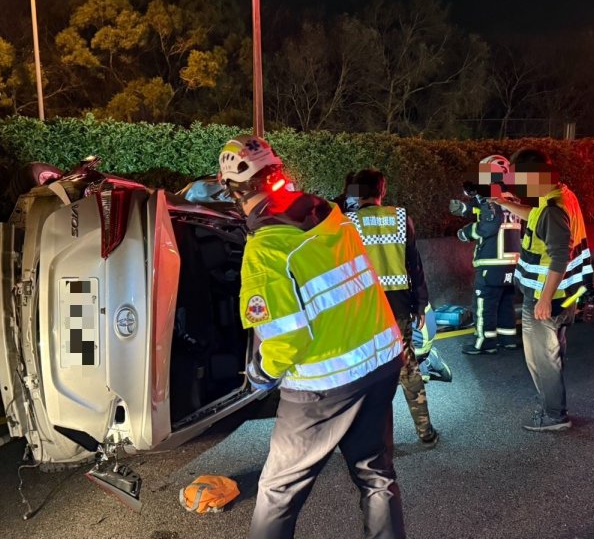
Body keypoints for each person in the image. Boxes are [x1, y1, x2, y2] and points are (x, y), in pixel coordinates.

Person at [218, 136, 406, 539]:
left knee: (278, 492)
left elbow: (286, 340)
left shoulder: (265, 251)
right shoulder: (328, 214)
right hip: (381, 361)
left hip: (323, 385)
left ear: (233, 190)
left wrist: (261, 374)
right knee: (376, 476)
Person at [493, 149, 592, 432]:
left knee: (542, 359)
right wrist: (503, 203)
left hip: (547, 298)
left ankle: (554, 415)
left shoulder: (552, 209)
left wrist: (544, 299)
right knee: (553, 354)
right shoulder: (560, 196)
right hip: (564, 295)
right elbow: (535, 216)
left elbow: (559, 255)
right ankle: (553, 407)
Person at [346, 169, 439, 448]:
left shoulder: (347, 222)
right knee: (407, 367)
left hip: (362, 308)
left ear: (355, 193)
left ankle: (371, 440)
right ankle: (425, 432)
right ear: (382, 190)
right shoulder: (400, 218)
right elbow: (415, 265)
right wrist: (420, 304)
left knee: (366, 372)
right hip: (398, 306)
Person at [449, 155, 522, 355]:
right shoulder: (513, 199)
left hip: (491, 262)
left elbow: (489, 224)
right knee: (505, 302)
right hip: (512, 263)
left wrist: (465, 232)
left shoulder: (492, 198)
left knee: (484, 303)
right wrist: (465, 209)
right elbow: (488, 211)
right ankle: (508, 339)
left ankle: (484, 342)